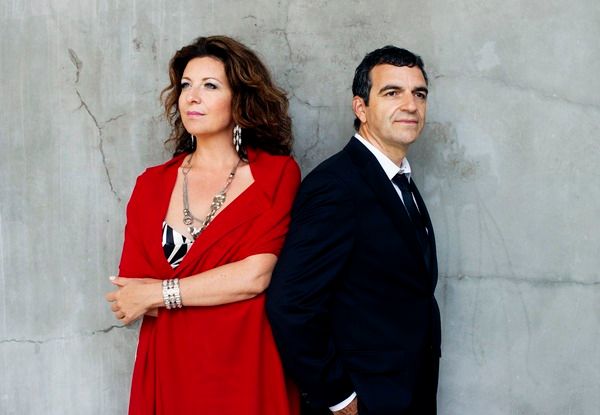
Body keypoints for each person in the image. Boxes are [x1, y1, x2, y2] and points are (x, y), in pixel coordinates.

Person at [105, 35, 300, 415]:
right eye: (186, 86)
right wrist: (218, 291)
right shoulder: (151, 184)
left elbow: (254, 277)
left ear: (240, 98)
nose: (192, 98)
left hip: (247, 366)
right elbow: (132, 296)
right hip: (170, 368)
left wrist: (159, 293)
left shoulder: (276, 175)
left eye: (210, 86)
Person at [266, 45, 441, 415]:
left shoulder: (398, 179)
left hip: (406, 391)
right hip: (365, 398)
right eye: (392, 92)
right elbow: (290, 304)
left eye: (419, 93)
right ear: (361, 108)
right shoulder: (336, 186)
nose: (410, 105)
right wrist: (339, 396)